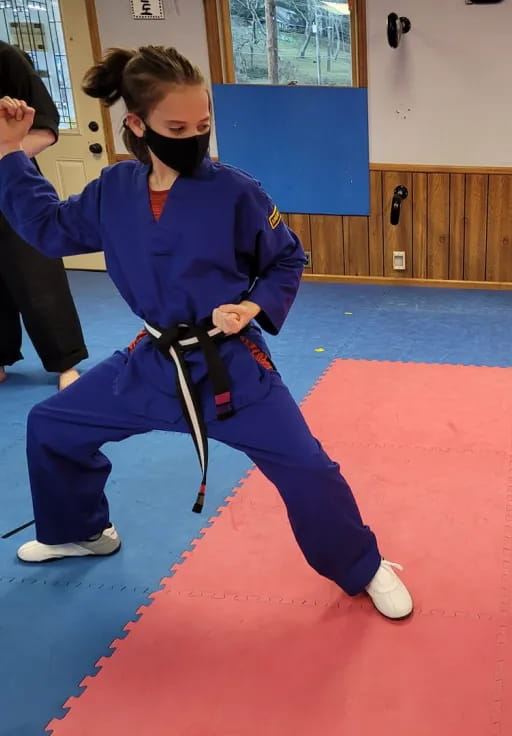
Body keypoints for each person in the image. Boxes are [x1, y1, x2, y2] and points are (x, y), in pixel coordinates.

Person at [0, 45, 412, 621]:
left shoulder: (236, 190)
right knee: (52, 425)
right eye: (176, 127)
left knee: (308, 467)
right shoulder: (115, 189)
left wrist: (250, 308)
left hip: (232, 368)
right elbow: (46, 229)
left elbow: (286, 260)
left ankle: (361, 565)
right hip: (153, 362)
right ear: (137, 126)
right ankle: (83, 531)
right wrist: (10, 153)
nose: (193, 137)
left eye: (203, 126)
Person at [0, 40, 86, 390]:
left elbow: (46, 127)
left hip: (11, 182)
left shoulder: (6, 59)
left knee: (35, 270)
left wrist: (5, 154)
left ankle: (65, 361)